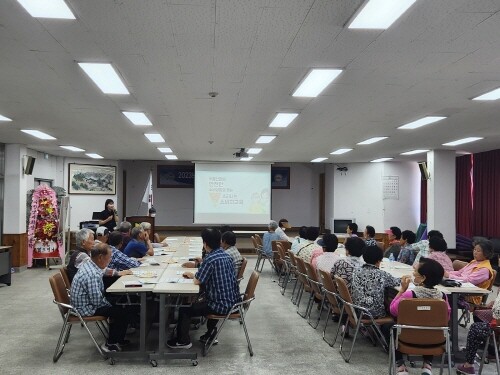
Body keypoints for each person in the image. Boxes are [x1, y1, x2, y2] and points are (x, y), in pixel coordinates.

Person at [167, 228, 240, 349]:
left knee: (185, 310)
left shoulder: (210, 259)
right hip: (233, 302)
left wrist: (191, 275)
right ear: (220, 241)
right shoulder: (226, 256)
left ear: (205, 244)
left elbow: (197, 280)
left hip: (220, 305)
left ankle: (183, 341)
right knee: (199, 301)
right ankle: (210, 334)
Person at [70, 243, 138, 352]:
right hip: (86, 308)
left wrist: (118, 273)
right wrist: (114, 304)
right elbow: (97, 302)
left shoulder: (91, 263)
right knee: (121, 310)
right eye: (109, 257)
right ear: (100, 257)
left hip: (90, 302)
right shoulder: (91, 274)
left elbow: (104, 271)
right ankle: (110, 344)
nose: (110, 260)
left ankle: (118, 339)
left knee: (123, 304)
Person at [389, 258, 450, 375]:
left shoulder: (409, 295)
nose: (413, 273)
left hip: (407, 339)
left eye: (415, 272)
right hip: (434, 342)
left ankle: (401, 366)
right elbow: (446, 319)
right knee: (430, 327)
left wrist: (402, 290)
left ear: (423, 278)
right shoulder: (443, 297)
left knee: (392, 327)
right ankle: (427, 365)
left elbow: (392, 311)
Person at [351, 245, 400, 318]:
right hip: (374, 313)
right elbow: (397, 282)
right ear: (379, 260)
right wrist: (404, 278)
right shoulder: (381, 274)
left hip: (356, 309)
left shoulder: (356, 270)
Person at [456, 294, 500, 374]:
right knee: (477, 313)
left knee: (475, 328)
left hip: (497, 322)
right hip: (495, 315)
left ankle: (468, 365)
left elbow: (497, 316)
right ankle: (491, 349)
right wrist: (495, 302)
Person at [445, 239, 494, 304]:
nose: (475, 252)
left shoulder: (485, 269)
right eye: (474, 249)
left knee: (444, 296)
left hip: (471, 297)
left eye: (478, 251)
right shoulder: (474, 262)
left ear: (486, 253)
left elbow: (469, 280)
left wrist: (449, 276)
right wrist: (445, 273)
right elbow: (460, 273)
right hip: (461, 290)